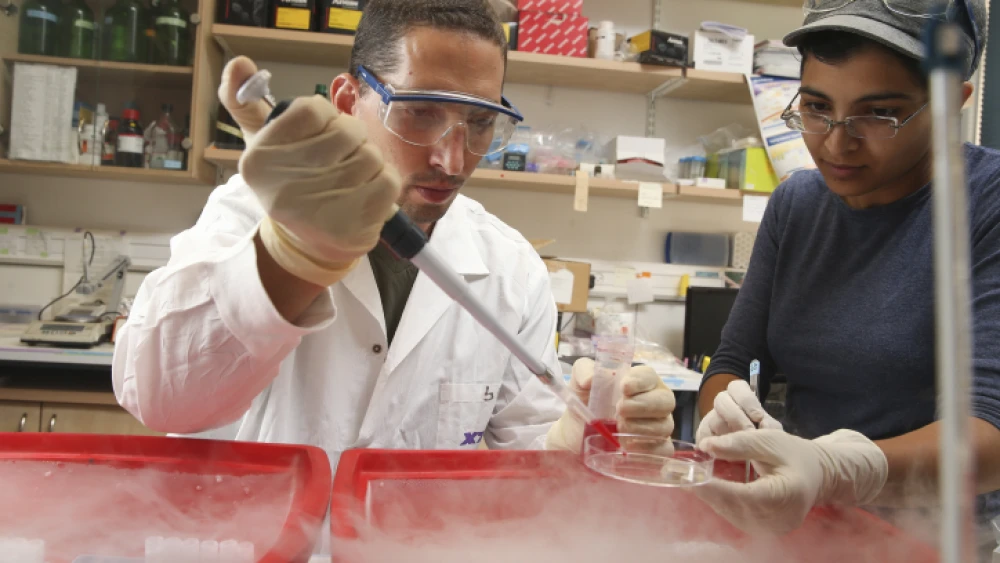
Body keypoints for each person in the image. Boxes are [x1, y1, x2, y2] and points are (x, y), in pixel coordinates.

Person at [112, 0, 675, 468]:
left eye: (480, 124)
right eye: (421, 112)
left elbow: (518, 458)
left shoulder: (511, 269)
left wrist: (570, 445)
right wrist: (290, 258)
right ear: (346, 101)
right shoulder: (249, 212)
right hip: (258, 545)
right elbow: (157, 397)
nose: (451, 159)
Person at [692, 0, 1000, 549]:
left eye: (878, 113)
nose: (835, 143)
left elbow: (989, 435)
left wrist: (835, 469)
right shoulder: (796, 205)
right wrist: (727, 415)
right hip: (804, 523)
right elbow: (730, 363)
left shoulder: (985, 205)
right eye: (815, 107)